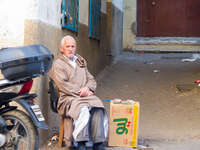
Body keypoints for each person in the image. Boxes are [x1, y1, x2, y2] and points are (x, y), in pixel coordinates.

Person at [49, 35, 108, 150]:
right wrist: (81, 92)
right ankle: (81, 142)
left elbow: (91, 79)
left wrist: (88, 88)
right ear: (62, 49)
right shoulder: (58, 64)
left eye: (73, 46)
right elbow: (63, 85)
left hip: (83, 96)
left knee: (98, 106)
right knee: (83, 109)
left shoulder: (80, 62)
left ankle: (98, 142)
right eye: (68, 46)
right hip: (68, 98)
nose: (70, 49)